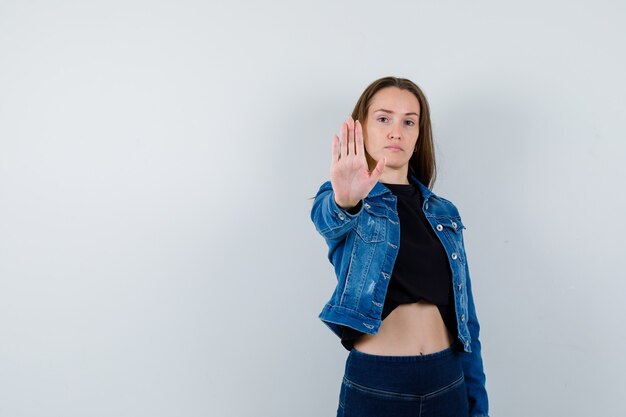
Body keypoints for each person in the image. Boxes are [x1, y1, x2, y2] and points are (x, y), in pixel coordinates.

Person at [310, 76, 489, 417]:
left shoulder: (444, 213)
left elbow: (467, 320)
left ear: (419, 135)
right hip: (378, 383)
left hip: (447, 379)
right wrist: (345, 201)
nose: (397, 131)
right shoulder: (349, 199)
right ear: (361, 126)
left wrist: (477, 405)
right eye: (383, 118)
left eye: (409, 122)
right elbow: (327, 219)